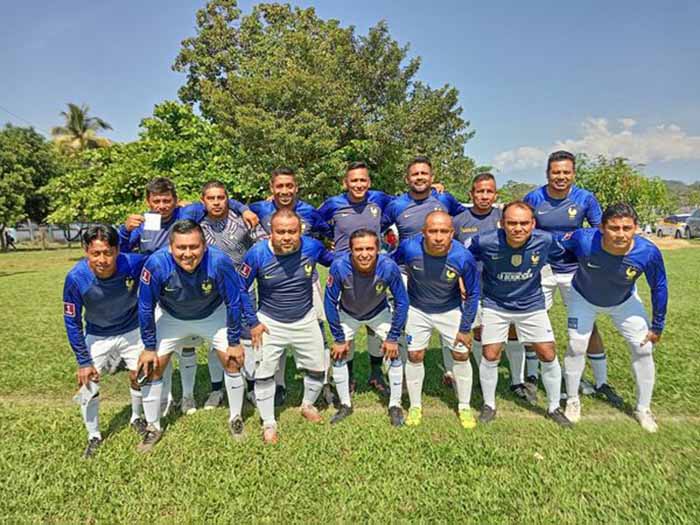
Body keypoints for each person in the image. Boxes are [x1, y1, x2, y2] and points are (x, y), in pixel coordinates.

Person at [118, 177, 258, 416]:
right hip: (161, 292)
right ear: (148, 201)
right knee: (160, 354)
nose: (162, 206)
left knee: (190, 350)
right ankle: (167, 399)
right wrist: (124, 230)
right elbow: (123, 251)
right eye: (156, 201)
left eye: (166, 200)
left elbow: (218, 199)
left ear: (176, 200)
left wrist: (243, 209)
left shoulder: (187, 213)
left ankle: (191, 396)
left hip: (197, 289)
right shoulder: (145, 222)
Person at [136, 220, 245, 451]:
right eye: (181, 248)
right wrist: (149, 347)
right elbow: (145, 307)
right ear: (170, 247)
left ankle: (235, 417)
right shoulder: (155, 264)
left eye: (194, 247)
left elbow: (234, 302)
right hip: (172, 316)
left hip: (212, 314)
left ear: (204, 246)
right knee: (151, 366)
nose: (187, 254)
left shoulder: (219, 261)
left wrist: (234, 341)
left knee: (233, 360)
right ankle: (153, 426)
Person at [523, 151, 621, 406]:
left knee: (587, 325)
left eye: (566, 172)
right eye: (556, 172)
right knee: (533, 321)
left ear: (573, 174)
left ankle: (601, 381)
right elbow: (522, 229)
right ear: (548, 174)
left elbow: (600, 232)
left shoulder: (585, 198)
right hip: (541, 269)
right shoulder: (533, 198)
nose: (561, 177)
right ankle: (531, 376)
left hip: (575, 270)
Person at [559, 203, 668, 432]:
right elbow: (556, 245)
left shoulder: (648, 252)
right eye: (614, 228)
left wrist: (657, 326)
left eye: (627, 228)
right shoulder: (584, 239)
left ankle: (643, 408)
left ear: (636, 228)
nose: (620, 234)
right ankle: (572, 399)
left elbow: (659, 286)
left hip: (624, 301)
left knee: (643, 348)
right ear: (601, 227)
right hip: (583, 297)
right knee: (577, 346)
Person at [468, 201, 571, 427]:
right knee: (490, 354)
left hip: (531, 304)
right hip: (495, 304)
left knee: (547, 352)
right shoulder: (485, 241)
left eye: (524, 223)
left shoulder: (545, 240)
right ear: (502, 223)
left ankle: (554, 407)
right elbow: (466, 259)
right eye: (512, 223)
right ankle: (489, 405)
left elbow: (564, 258)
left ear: (533, 224)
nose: (518, 228)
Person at [240, 209, 334, 444]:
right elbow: (240, 288)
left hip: (305, 318)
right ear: (271, 232)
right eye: (280, 232)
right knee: (264, 374)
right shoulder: (257, 253)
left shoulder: (312, 247)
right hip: (270, 322)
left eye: (292, 232)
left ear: (300, 231)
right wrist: (253, 322)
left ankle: (307, 405)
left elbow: (336, 261)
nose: (286, 237)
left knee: (317, 369)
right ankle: (269, 422)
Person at [249, 168, 333, 407]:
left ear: (296, 188)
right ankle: (279, 385)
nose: (284, 191)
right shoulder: (260, 208)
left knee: (316, 329)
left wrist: (331, 245)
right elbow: (231, 207)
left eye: (289, 186)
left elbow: (327, 231)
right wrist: (243, 209)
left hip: (306, 279)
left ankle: (324, 383)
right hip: (272, 280)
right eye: (279, 186)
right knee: (275, 333)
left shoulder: (309, 211)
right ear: (271, 188)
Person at [381, 156, 467, 386]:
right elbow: (377, 228)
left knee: (448, 316)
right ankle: (399, 372)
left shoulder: (444, 199)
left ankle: (451, 371)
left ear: (432, 177)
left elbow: (463, 221)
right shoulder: (396, 205)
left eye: (424, 173)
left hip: (442, 270)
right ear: (407, 178)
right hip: (406, 272)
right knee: (402, 319)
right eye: (415, 174)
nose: (419, 178)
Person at [62, 225, 147, 458]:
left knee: (139, 375)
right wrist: (83, 361)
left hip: (132, 329)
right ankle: (94, 435)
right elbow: (72, 321)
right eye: (96, 253)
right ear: (86, 251)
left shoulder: (133, 263)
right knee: (87, 384)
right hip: (97, 334)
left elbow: (162, 257)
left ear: (117, 250)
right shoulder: (75, 278)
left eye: (108, 253)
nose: (102, 260)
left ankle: (136, 417)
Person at [392, 211, 480, 428]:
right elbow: (390, 263)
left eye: (444, 231)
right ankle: (415, 406)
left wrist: (465, 328)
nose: (438, 237)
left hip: (450, 310)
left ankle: (464, 406)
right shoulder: (409, 248)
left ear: (452, 233)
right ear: (423, 232)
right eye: (433, 231)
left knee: (461, 355)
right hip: (417, 309)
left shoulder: (463, 257)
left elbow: (473, 294)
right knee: (415, 355)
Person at [452, 173, 533, 404]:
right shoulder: (459, 221)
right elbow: (454, 254)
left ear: (495, 195)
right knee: (479, 331)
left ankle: (517, 380)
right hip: (474, 285)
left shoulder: (504, 217)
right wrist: (459, 279)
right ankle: (482, 375)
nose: (484, 196)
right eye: (480, 191)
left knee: (513, 332)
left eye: (489, 191)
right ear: (471, 194)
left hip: (505, 286)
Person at [318, 161, 395, 395]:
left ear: (369, 182)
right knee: (346, 319)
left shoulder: (379, 199)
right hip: (345, 271)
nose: (359, 184)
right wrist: (328, 241)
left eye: (363, 180)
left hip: (373, 269)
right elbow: (315, 222)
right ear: (345, 183)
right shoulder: (333, 204)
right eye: (354, 180)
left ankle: (376, 373)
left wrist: (434, 191)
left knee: (374, 318)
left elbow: (405, 203)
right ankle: (348, 376)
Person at [324, 229, 409, 426]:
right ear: (350, 251)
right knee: (338, 354)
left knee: (395, 352)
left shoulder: (388, 267)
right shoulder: (339, 266)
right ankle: (345, 404)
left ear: (378, 249)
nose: (364, 254)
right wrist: (339, 338)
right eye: (358, 249)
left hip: (378, 312)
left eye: (369, 249)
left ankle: (395, 405)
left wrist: (393, 337)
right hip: (348, 313)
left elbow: (402, 301)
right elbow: (330, 302)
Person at [197, 180, 267, 410]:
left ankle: (252, 387)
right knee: (217, 341)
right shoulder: (198, 225)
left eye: (221, 197)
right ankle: (217, 389)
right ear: (203, 201)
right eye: (211, 198)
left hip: (243, 289)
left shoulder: (244, 220)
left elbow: (264, 245)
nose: (216, 202)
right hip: (211, 293)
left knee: (248, 338)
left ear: (228, 199)